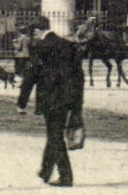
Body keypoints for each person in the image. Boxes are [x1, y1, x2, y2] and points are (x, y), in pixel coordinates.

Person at [16, 16, 84, 186]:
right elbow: (79, 75)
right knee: (55, 132)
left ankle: (66, 176)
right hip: (68, 97)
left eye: (33, 33)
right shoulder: (68, 44)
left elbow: (31, 75)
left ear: (38, 31)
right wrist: (77, 100)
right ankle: (46, 171)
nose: (33, 36)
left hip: (51, 97)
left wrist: (22, 101)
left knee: (55, 136)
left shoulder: (40, 46)